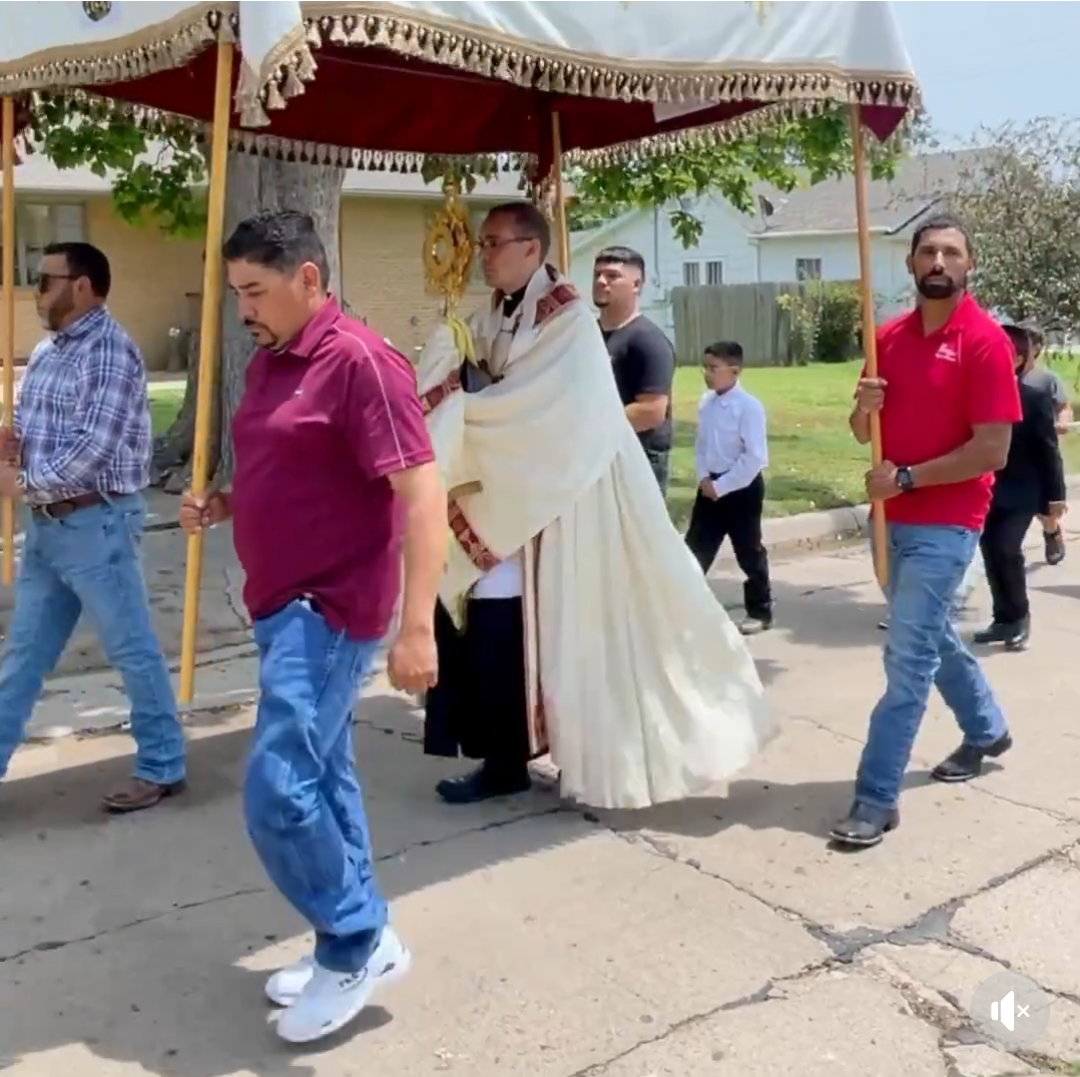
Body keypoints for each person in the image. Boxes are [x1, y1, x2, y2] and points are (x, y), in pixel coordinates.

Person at [179, 211, 445, 1045]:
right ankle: (353, 939)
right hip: (276, 598)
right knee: (325, 779)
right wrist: (224, 501)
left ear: (309, 279)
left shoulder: (363, 363)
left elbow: (423, 496)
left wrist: (417, 627)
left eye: (255, 291)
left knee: (278, 790)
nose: (243, 308)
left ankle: (358, 938)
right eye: (235, 293)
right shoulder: (268, 362)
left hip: (330, 608)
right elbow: (287, 464)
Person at [418, 202, 773, 809]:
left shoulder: (567, 319)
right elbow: (484, 371)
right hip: (516, 489)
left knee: (558, 628)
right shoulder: (497, 311)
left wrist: (462, 406)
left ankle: (562, 750)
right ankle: (502, 755)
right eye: (481, 243)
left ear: (532, 248)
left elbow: (542, 404)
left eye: (495, 242)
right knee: (496, 626)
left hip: (569, 496)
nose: (484, 254)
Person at [831, 213, 1019, 850]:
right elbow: (861, 432)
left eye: (951, 253)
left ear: (969, 265)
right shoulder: (887, 337)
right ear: (911, 264)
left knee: (907, 658)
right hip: (892, 523)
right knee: (933, 636)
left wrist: (906, 478)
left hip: (947, 523)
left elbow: (992, 450)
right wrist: (865, 406)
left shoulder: (986, 342)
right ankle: (987, 727)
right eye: (927, 252)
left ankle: (875, 796)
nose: (939, 262)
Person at [0, 241, 185, 813]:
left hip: (96, 521)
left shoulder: (109, 351)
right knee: (23, 654)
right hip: (50, 529)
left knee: (131, 649)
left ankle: (162, 764)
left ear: (82, 286)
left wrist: (23, 483)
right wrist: (15, 443)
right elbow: (45, 430)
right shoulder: (51, 350)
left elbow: (91, 451)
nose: (37, 290)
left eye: (47, 280)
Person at [975, 324, 1066, 651]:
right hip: (986, 488)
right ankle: (1003, 619)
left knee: (1006, 547)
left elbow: (1048, 448)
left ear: (1018, 359)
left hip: (1023, 490)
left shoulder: (1034, 397)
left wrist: (1055, 496)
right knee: (989, 549)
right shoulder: (976, 394)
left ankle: (1020, 617)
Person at [684, 341, 773, 635]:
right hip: (710, 487)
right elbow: (702, 446)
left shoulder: (748, 408)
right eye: (705, 368)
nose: (707, 374)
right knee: (695, 549)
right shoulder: (706, 403)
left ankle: (759, 610)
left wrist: (723, 486)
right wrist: (704, 479)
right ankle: (685, 608)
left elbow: (754, 457)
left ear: (734, 371)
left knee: (748, 549)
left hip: (741, 488)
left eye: (714, 369)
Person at [593, 246, 676, 494]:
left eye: (612, 276)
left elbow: (651, 411)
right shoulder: (587, 335)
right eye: (597, 275)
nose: (601, 281)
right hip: (595, 459)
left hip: (637, 461)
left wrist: (588, 427)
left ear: (636, 284)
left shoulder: (648, 341)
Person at [1021, 324, 1071, 565]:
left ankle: (1052, 532)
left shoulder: (1046, 379)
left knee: (1044, 506)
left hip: (1040, 450)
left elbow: (1064, 406)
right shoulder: (1001, 376)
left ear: (1037, 349)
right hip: (1008, 450)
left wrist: (1062, 422)